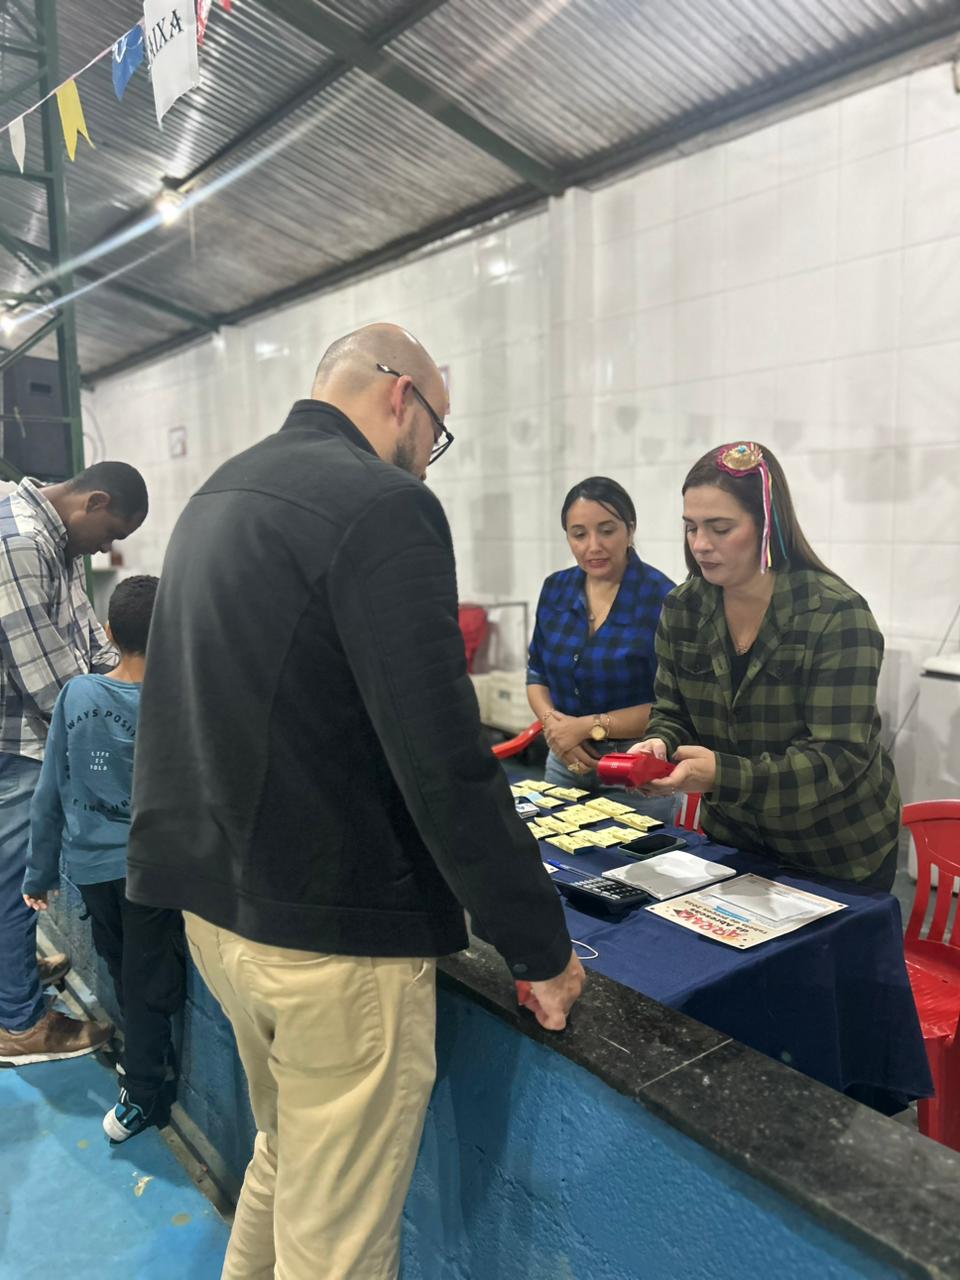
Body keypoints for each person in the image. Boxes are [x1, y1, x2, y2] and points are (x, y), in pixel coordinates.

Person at [126, 323, 584, 1280]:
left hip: (219, 913)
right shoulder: (382, 505)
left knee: (283, 1160)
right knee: (337, 1248)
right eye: (436, 434)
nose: (427, 459)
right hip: (330, 938)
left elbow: (182, 701)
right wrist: (538, 946)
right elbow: (442, 755)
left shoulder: (219, 495)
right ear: (400, 395)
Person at [629, 441, 900, 890]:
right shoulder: (683, 609)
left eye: (720, 528)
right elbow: (673, 711)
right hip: (735, 838)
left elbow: (838, 757)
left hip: (833, 848)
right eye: (691, 527)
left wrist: (722, 775)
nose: (700, 544)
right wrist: (659, 743)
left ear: (768, 526)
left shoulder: (834, 615)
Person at [22, 574, 185, 1142]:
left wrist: (39, 872)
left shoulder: (77, 695)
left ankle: (145, 1078)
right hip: (151, 871)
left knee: (124, 967)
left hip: (91, 870)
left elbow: (50, 790)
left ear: (109, 632)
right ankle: (147, 1088)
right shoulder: (177, 702)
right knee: (146, 977)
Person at [0, 462, 148, 1066]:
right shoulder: (19, 540)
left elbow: (91, 638)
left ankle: (10, 971)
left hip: (25, 728)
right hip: (16, 738)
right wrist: (113, 727)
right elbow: (44, 678)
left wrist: (129, 678)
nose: (109, 548)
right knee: (17, 884)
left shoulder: (54, 537)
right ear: (95, 501)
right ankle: (18, 1021)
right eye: (112, 532)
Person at [526, 476, 675, 816]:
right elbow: (536, 674)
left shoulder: (663, 598)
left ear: (630, 529)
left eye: (607, 531)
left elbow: (671, 706)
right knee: (553, 846)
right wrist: (555, 727)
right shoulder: (556, 589)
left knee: (633, 851)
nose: (593, 546)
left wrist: (585, 726)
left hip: (636, 766)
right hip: (565, 758)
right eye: (579, 534)